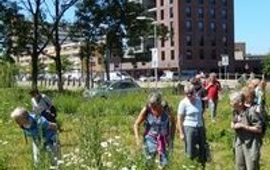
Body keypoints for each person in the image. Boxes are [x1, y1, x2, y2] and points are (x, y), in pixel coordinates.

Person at [134, 92, 175, 169]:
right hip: (150, 138)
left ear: (160, 103)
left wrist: (171, 138)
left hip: (164, 139)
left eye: (155, 106)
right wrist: (137, 139)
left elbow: (173, 123)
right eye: (151, 105)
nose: (152, 108)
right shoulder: (147, 109)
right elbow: (136, 124)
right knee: (148, 163)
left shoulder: (167, 109)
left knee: (165, 164)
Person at [230, 92, 263, 170]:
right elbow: (234, 121)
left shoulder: (250, 112)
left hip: (251, 144)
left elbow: (259, 129)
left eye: (232, 101)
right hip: (239, 142)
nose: (230, 103)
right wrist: (232, 124)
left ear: (240, 103)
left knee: (251, 167)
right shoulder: (235, 111)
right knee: (239, 166)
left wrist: (243, 126)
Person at [177, 83, 207, 166]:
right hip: (189, 128)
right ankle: (190, 165)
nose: (189, 95)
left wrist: (203, 127)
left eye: (191, 93)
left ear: (194, 91)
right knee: (190, 150)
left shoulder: (199, 101)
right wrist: (181, 133)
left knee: (202, 148)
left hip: (200, 127)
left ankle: (201, 165)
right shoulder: (183, 103)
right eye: (187, 93)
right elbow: (179, 119)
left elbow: (201, 115)